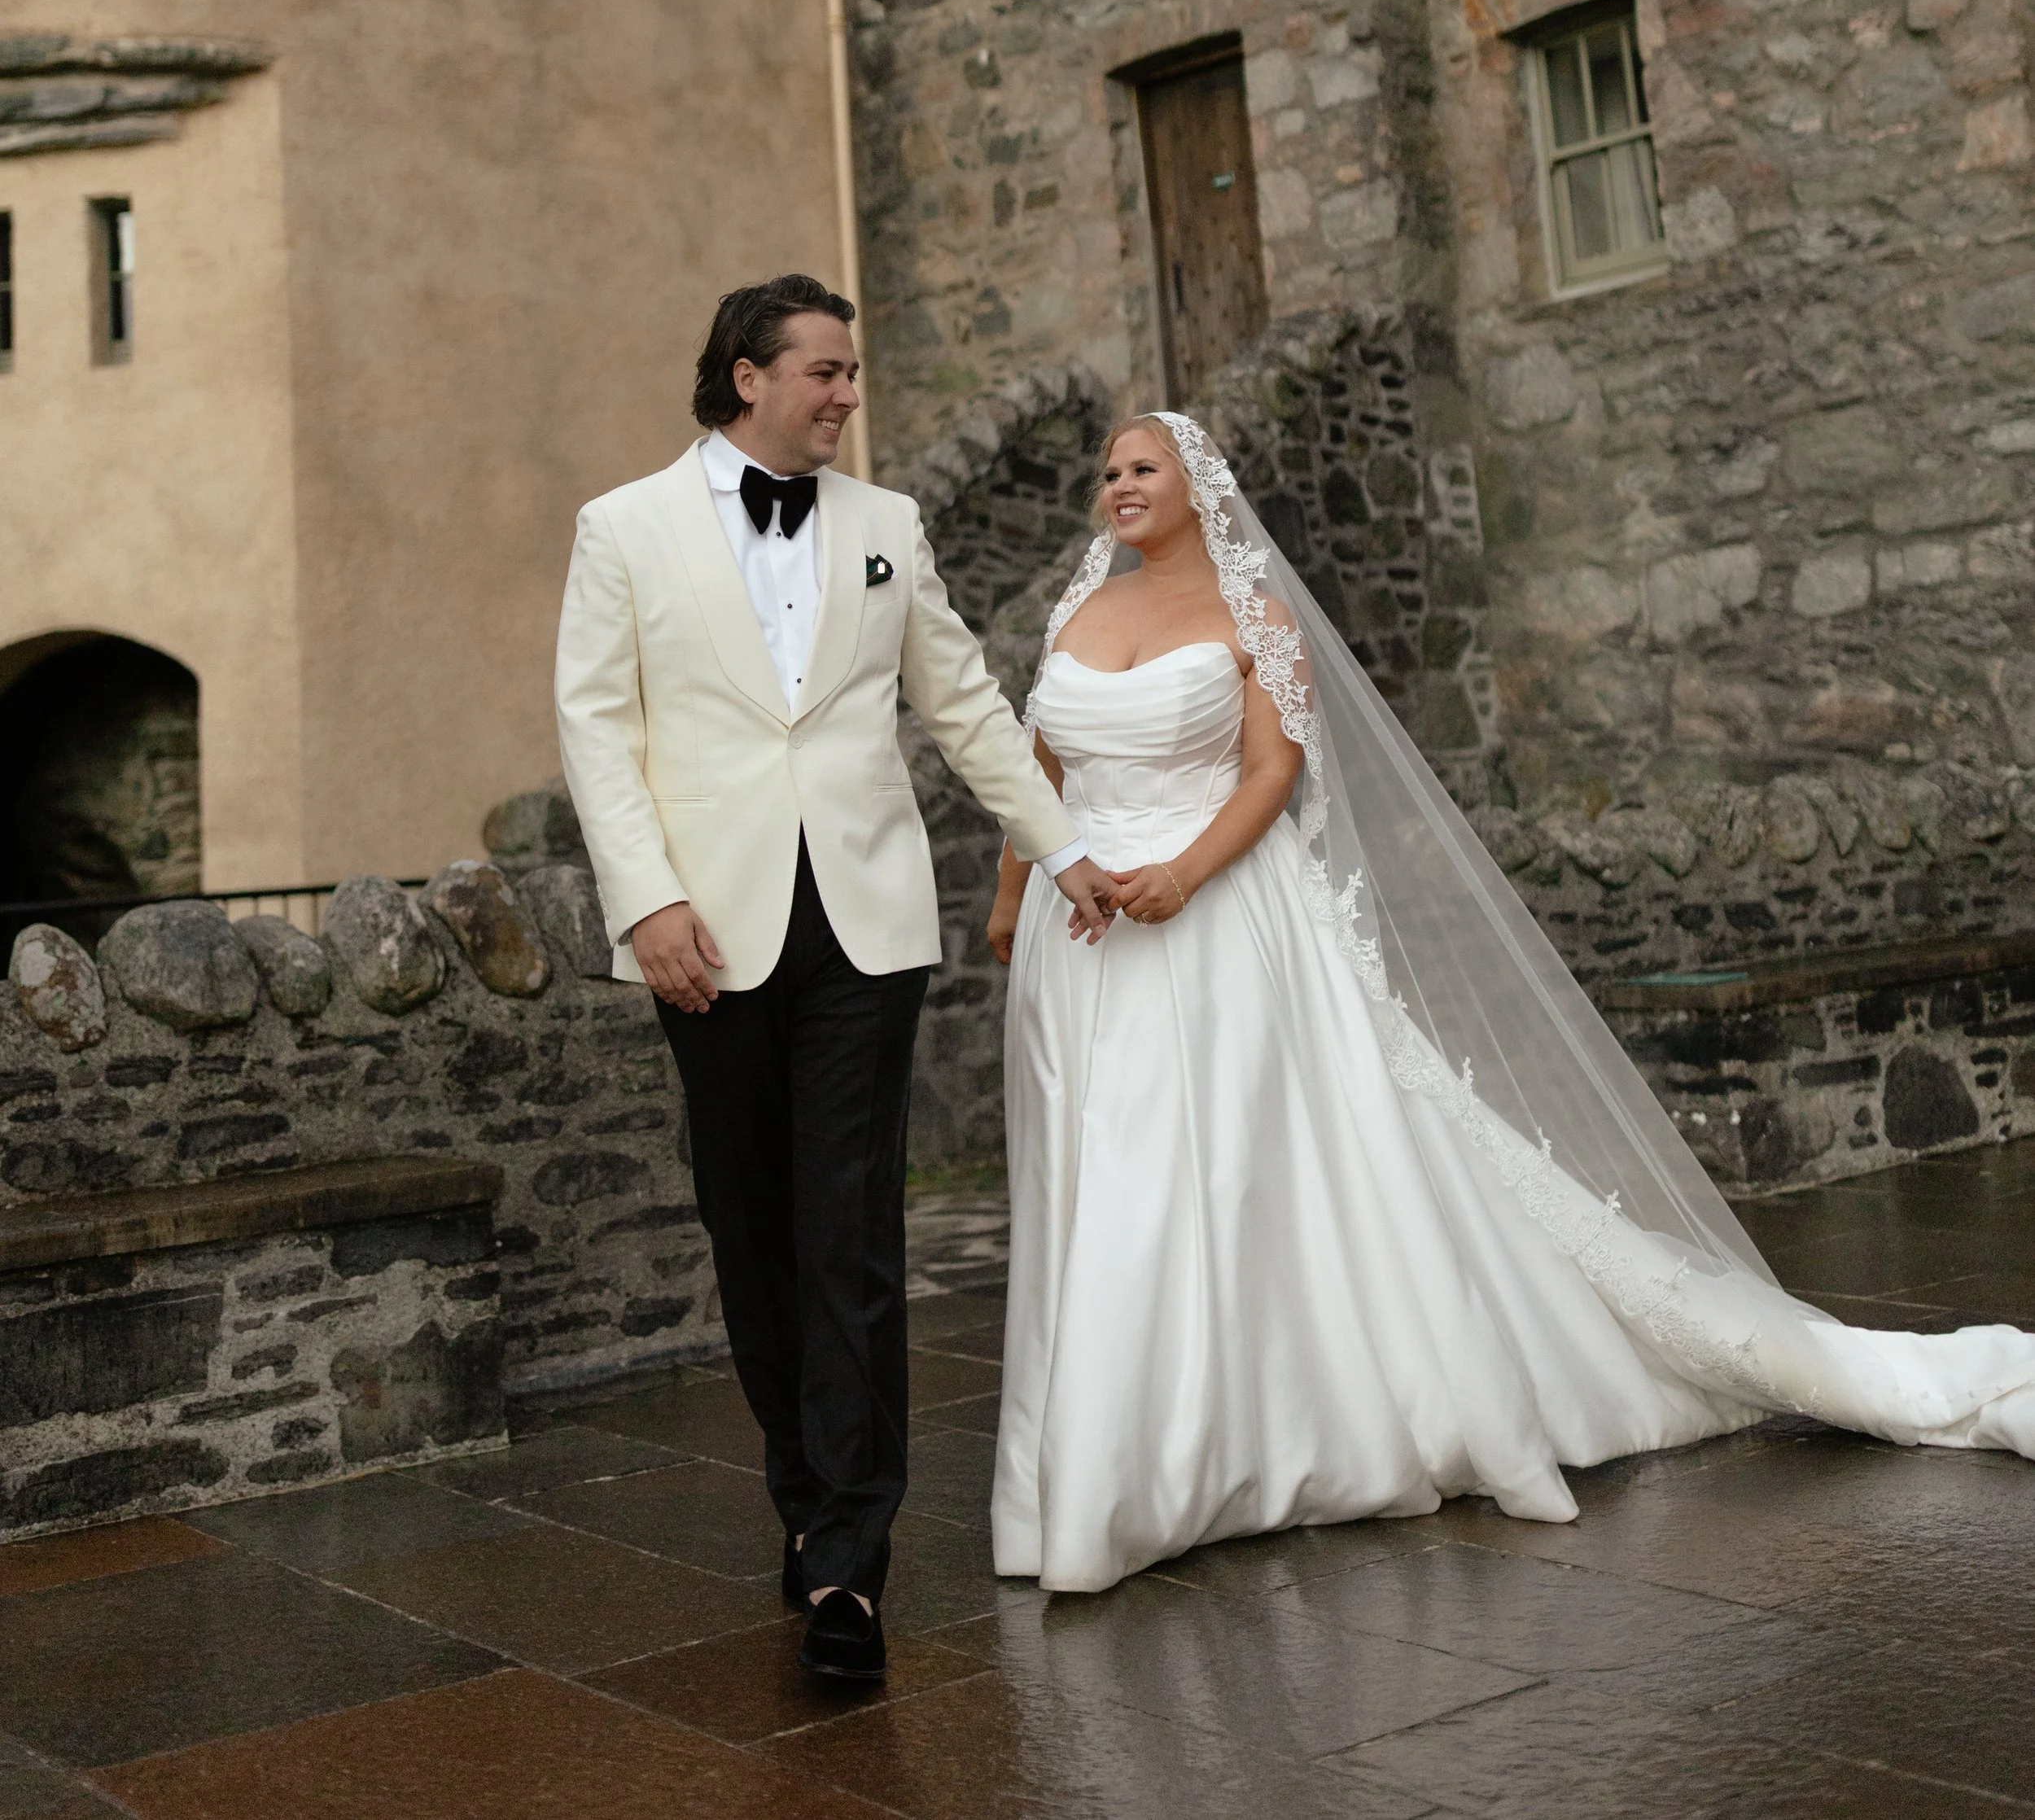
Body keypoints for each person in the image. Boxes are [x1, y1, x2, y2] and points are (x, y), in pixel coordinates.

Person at [987, 409, 2035, 1595]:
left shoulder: (1257, 618)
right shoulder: (1076, 614)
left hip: (1216, 917)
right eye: (1109, 470)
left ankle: (1178, 1462)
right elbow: (1040, 763)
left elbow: (1276, 773)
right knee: (1094, 1181)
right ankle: (1100, 1452)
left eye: (1144, 465)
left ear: (1199, 487)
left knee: (1204, 1171)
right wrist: (1013, 889)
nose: (1119, 482)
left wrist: (1180, 872)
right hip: (1082, 940)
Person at [554, 274, 1115, 1678]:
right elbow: (597, 731)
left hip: (867, 927)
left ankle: (853, 1565)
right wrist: (650, 904)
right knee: (754, 1238)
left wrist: (1063, 849)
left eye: (852, 371)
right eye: (826, 371)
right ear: (748, 376)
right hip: (712, 936)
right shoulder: (622, 529)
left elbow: (967, 703)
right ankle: (805, 1504)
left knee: (853, 1241)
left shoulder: (889, 527)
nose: (849, 393)